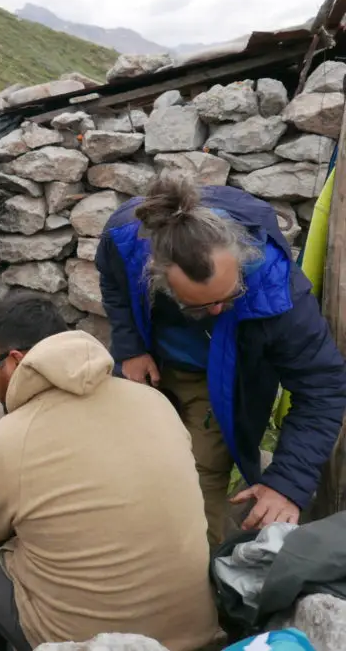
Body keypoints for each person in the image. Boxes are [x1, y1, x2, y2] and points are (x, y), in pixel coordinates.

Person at [0, 292, 219, 651]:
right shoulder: (154, 402)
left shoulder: (6, 441)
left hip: (83, 642)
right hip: (193, 633)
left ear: (16, 361)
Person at [95, 175, 346, 548]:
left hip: (226, 380)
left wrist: (287, 483)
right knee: (131, 460)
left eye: (229, 296)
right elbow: (114, 284)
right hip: (156, 362)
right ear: (156, 276)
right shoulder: (125, 239)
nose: (216, 309)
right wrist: (130, 347)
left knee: (199, 478)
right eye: (200, 305)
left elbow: (323, 386)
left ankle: (196, 573)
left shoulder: (277, 294)